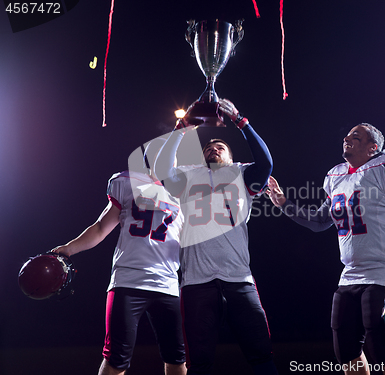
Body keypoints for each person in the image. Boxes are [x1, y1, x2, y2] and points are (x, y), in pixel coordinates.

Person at [266, 123, 385, 375]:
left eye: (356, 136)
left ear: (373, 148)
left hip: (384, 267)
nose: (347, 138)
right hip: (350, 273)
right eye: (348, 134)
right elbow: (319, 221)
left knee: (381, 345)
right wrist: (284, 202)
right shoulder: (336, 176)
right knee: (346, 348)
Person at [154, 99, 278, 375]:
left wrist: (241, 121)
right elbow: (163, 168)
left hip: (238, 278)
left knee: (261, 354)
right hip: (197, 281)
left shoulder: (242, 173)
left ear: (231, 157)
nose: (212, 149)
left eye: (220, 147)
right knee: (199, 362)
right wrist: (180, 130)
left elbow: (266, 162)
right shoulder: (189, 175)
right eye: (208, 147)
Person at [52, 170, 187, 375]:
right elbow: (100, 228)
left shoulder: (186, 192)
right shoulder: (127, 182)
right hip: (128, 281)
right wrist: (69, 248)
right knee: (116, 358)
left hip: (167, 283)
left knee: (177, 358)